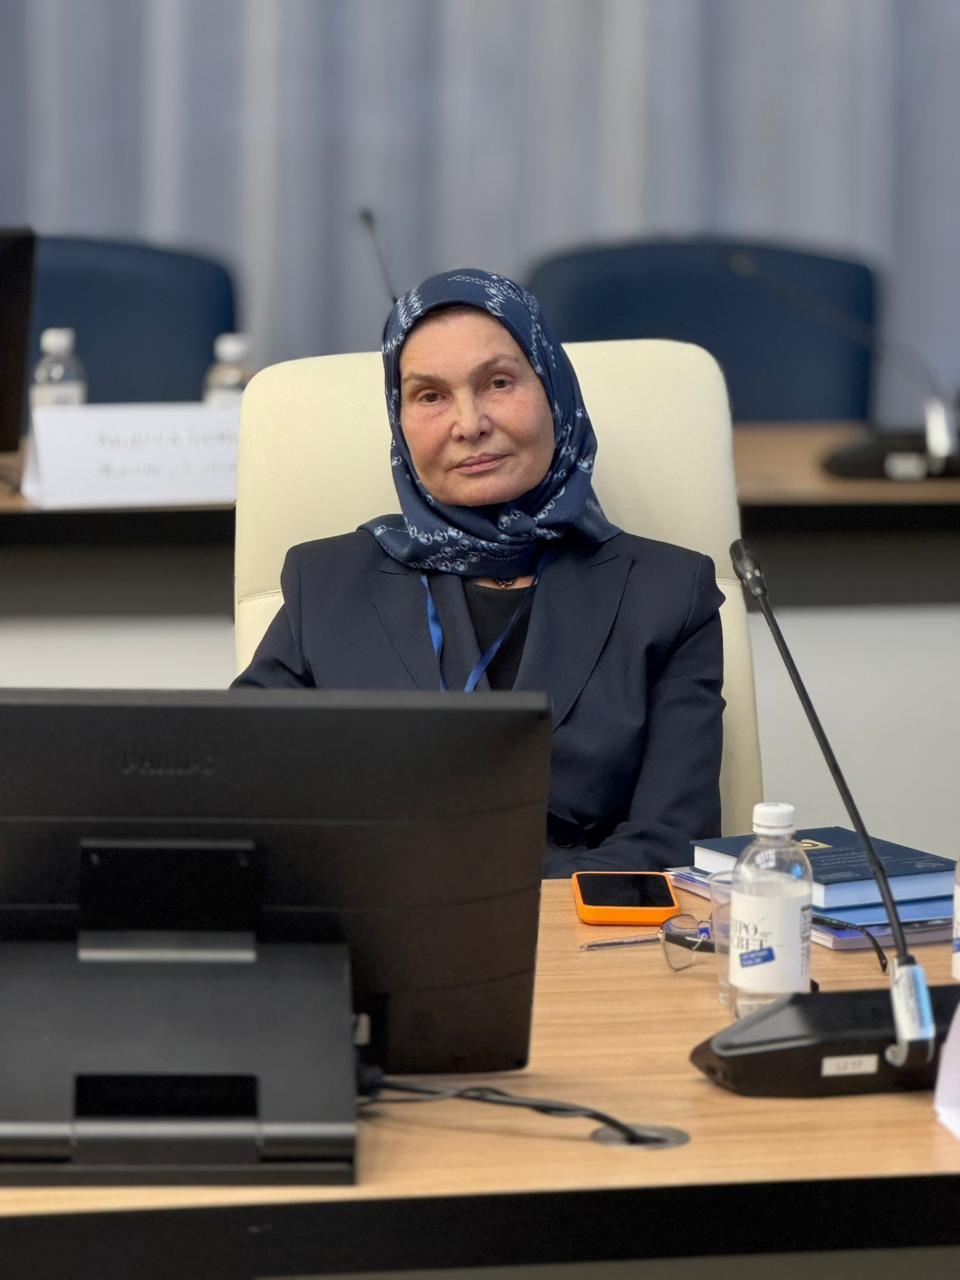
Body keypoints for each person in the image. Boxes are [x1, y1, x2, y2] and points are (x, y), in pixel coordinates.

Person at [234, 268, 724, 874]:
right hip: (374, 920)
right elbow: (243, 795)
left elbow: (675, 844)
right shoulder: (326, 583)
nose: (469, 424)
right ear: (399, 419)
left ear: (553, 390)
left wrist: (474, 885)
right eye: (430, 396)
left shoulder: (669, 593)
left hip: (580, 926)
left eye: (498, 383)